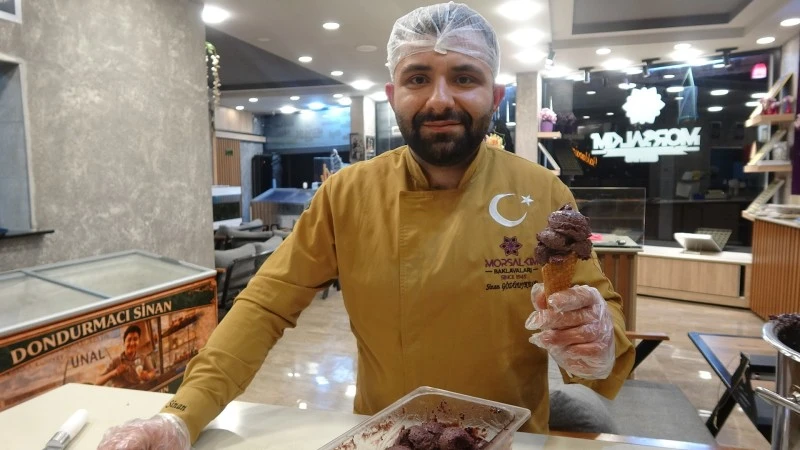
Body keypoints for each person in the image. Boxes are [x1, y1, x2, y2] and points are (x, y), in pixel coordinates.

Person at [97, 3, 634, 448]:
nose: (440, 99)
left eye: (464, 78)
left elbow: (594, 308)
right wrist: (182, 414)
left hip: (511, 442)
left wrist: (597, 340)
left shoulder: (542, 192)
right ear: (393, 95)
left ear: (494, 97)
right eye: (418, 78)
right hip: (385, 438)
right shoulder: (347, 194)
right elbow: (264, 306)